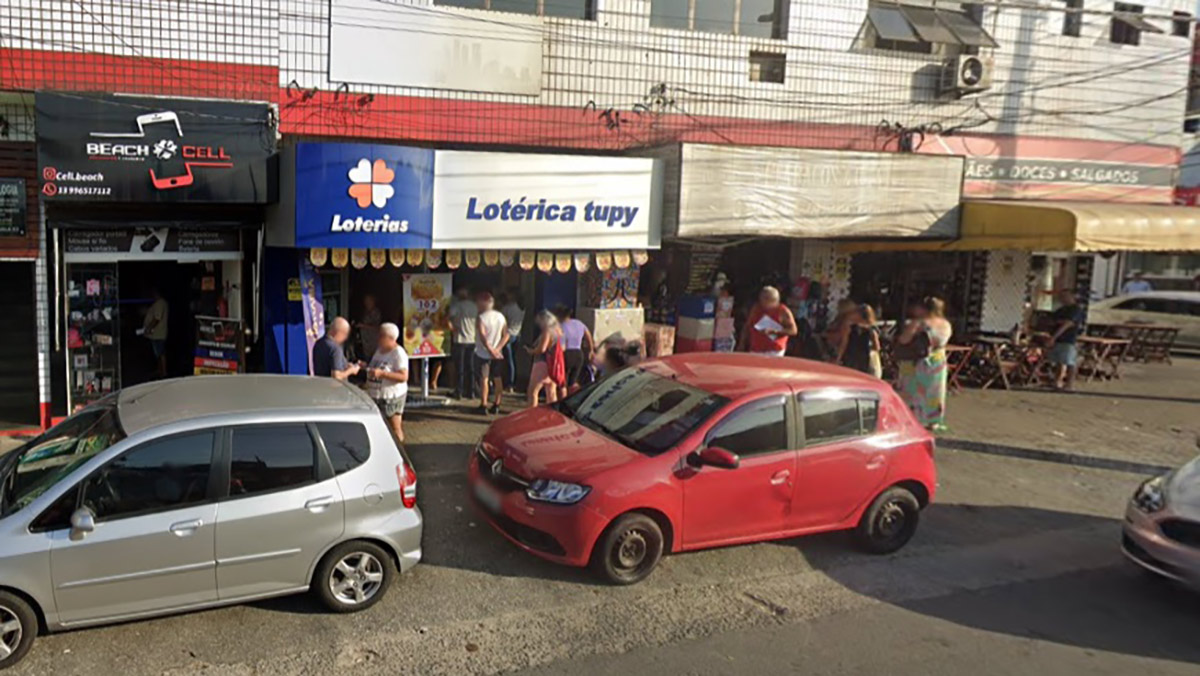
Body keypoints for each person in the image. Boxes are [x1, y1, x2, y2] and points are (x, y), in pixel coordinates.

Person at [895, 297, 953, 431]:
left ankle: (913, 417)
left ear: (923, 309)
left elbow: (903, 340)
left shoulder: (919, 323)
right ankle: (934, 419)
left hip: (917, 361)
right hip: (938, 359)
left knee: (913, 389)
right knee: (935, 390)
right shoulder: (946, 324)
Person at [364, 322, 409, 445]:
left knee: (395, 427)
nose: (378, 338)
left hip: (391, 397)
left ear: (390, 338)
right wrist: (366, 367)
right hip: (376, 395)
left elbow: (404, 376)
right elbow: (376, 366)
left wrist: (383, 374)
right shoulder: (379, 350)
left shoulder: (398, 354)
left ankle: (400, 452)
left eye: (381, 336)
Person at [737, 286, 798, 356]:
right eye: (762, 299)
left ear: (774, 300)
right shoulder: (756, 308)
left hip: (774, 350)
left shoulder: (783, 311)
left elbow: (793, 331)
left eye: (766, 300)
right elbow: (747, 326)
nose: (763, 303)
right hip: (756, 348)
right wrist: (741, 344)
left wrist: (774, 331)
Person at [474, 292, 508, 415]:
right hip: (498, 354)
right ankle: (497, 404)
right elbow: (506, 335)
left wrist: (490, 350)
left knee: (484, 379)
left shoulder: (481, 318)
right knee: (498, 379)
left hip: (483, 353)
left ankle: (483, 404)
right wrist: (498, 349)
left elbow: (483, 337)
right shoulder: (501, 316)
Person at [1048, 289, 1085, 391]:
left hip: (1069, 339)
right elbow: (1052, 320)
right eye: (1061, 296)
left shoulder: (1076, 310)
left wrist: (1054, 336)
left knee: (1069, 361)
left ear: (1072, 297)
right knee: (1059, 361)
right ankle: (1057, 381)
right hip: (1058, 339)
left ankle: (1069, 384)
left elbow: (1068, 323)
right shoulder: (1061, 310)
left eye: (1065, 296)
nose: (1062, 298)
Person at [526, 310, 564, 407]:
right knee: (551, 392)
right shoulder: (558, 331)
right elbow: (563, 347)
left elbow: (542, 349)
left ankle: (532, 414)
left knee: (533, 391)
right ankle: (552, 414)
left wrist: (531, 351)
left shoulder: (547, 331)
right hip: (553, 364)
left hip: (542, 363)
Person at [448, 287, 478, 400]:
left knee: (459, 367)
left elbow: (448, 318)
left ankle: (459, 391)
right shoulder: (474, 306)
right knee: (470, 367)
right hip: (472, 339)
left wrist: (452, 328)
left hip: (460, 339)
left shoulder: (457, 305)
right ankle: (471, 391)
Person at [555, 305, 595, 391]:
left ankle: (564, 401)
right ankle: (576, 398)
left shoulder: (561, 327)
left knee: (563, 382)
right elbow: (588, 336)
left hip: (566, 354)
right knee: (573, 381)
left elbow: (562, 345)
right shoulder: (579, 323)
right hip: (578, 353)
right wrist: (591, 350)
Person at [838, 304, 882, 378]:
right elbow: (877, 347)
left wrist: (838, 358)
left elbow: (844, 343)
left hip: (851, 356)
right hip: (865, 358)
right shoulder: (872, 330)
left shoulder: (851, 327)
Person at [142, 287, 169, 378]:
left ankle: (163, 371)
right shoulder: (160, 303)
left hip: (158, 333)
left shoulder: (160, 303)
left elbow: (157, 318)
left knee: (160, 353)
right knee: (158, 353)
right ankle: (160, 370)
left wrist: (149, 328)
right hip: (156, 333)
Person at [500, 290, 524, 391]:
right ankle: (513, 383)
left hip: (508, 335)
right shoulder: (522, 307)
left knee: (508, 361)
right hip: (518, 335)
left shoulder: (507, 308)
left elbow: (502, 321)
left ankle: (509, 383)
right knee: (513, 360)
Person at [355, 294, 382, 359]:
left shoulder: (376, 313)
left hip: (373, 342)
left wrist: (363, 326)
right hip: (366, 343)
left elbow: (377, 327)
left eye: (368, 301)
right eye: (365, 301)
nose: (366, 303)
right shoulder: (365, 312)